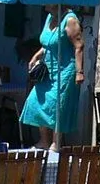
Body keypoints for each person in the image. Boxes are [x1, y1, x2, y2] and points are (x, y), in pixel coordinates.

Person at [19, 9, 85, 149]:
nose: (44, 4)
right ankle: (44, 140)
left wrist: (80, 72)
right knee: (37, 100)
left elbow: (79, 46)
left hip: (66, 69)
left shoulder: (70, 20)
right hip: (48, 69)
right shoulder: (50, 17)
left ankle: (56, 142)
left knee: (58, 105)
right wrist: (36, 56)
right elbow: (47, 44)